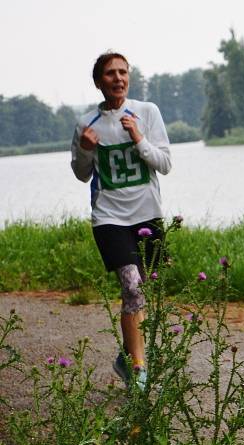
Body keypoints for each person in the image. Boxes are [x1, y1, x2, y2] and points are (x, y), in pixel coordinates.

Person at [71, 51, 172, 391]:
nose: (118, 78)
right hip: (110, 218)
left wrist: (139, 139)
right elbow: (81, 174)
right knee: (132, 288)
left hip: (147, 214)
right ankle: (140, 371)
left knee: (148, 295)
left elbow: (165, 163)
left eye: (123, 72)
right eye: (110, 73)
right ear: (99, 81)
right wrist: (86, 149)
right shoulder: (87, 125)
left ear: (129, 77)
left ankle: (126, 355)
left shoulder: (147, 112)